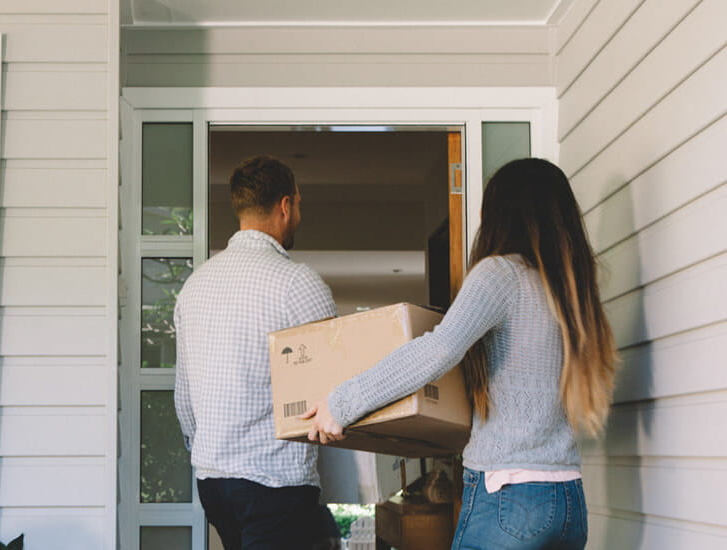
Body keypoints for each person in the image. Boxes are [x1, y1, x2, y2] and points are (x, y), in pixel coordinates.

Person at [303, 158, 617, 550]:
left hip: (509, 496)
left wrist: (341, 402)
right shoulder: (572, 291)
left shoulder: (501, 276)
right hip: (568, 499)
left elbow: (437, 350)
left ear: (500, 215)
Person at [174, 156, 337, 550]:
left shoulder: (195, 287)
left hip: (213, 482)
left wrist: (210, 452)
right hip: (275, 481)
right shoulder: (296, 282)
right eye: (297, 205)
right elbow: (337, 382)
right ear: (285, 206)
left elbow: (184, 399)